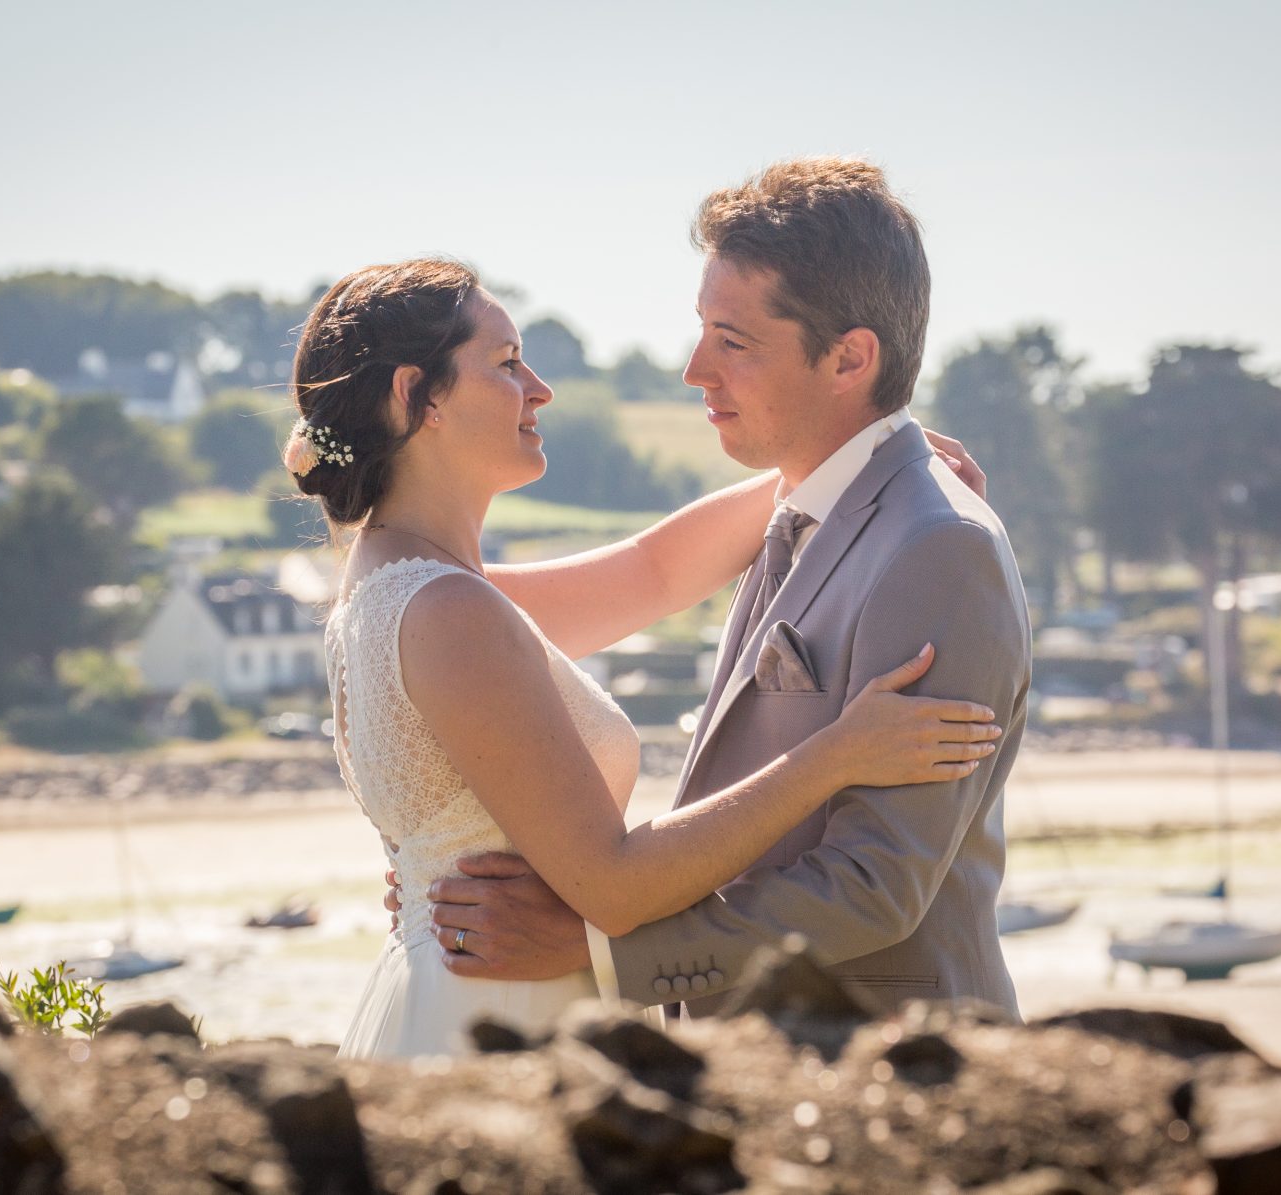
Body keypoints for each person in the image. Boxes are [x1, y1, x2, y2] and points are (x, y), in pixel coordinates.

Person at [288, 256, 1001, 1058]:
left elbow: (650, 571)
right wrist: (835, 755)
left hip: (466, 988)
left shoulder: (400, 586)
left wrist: (861, 464)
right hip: (502, 1012)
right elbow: (615, 885)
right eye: (506, 361)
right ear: (416, 397)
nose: (540, 386)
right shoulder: (451, 613)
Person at [418, 157, 1033, 1022]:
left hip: (884, 1075)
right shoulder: (803, 506)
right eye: (702, 329)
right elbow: (643, 572)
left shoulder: (940, 548)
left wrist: (604, 957)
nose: (695, 370)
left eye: (732, 341)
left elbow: (872, 887)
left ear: (851, 358)